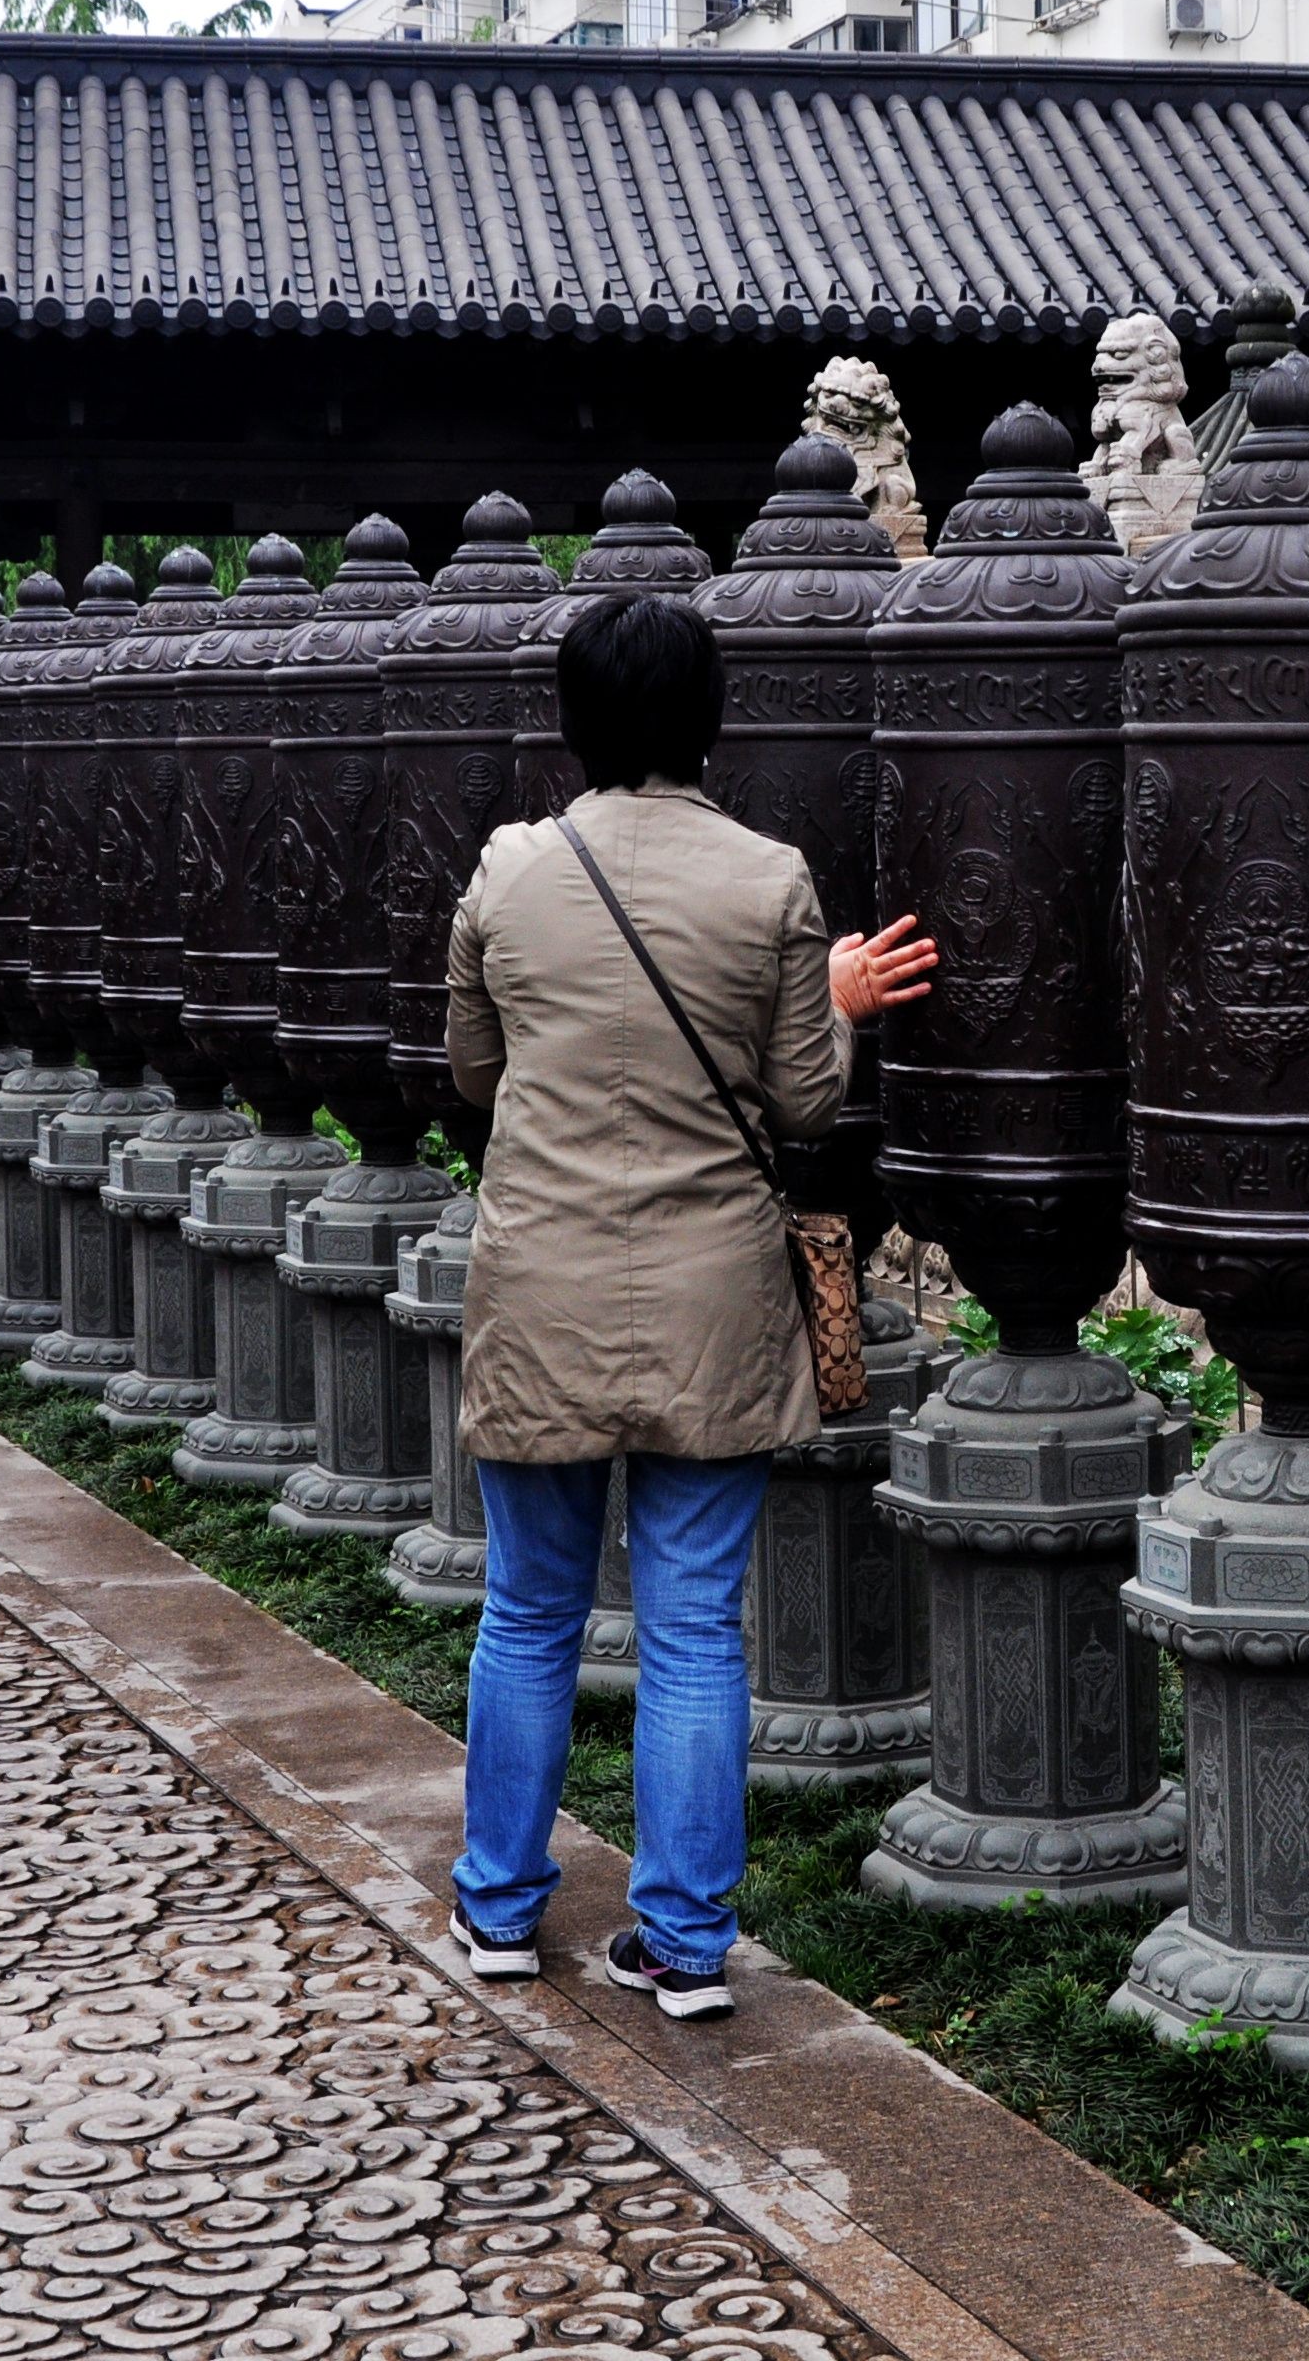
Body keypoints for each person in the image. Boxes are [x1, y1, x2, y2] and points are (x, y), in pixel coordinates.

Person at [441, 590, 934, 2021]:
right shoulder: (771, 880)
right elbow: (802, 1103)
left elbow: (473, 1072)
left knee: (529, 1610)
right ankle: (685, 1946)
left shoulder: (513, 872)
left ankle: (496, 1911)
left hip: (540, 1286)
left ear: (573, 718)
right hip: (715, 1294)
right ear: (711, 719)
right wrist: (832, 999)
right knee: (696, 1626)